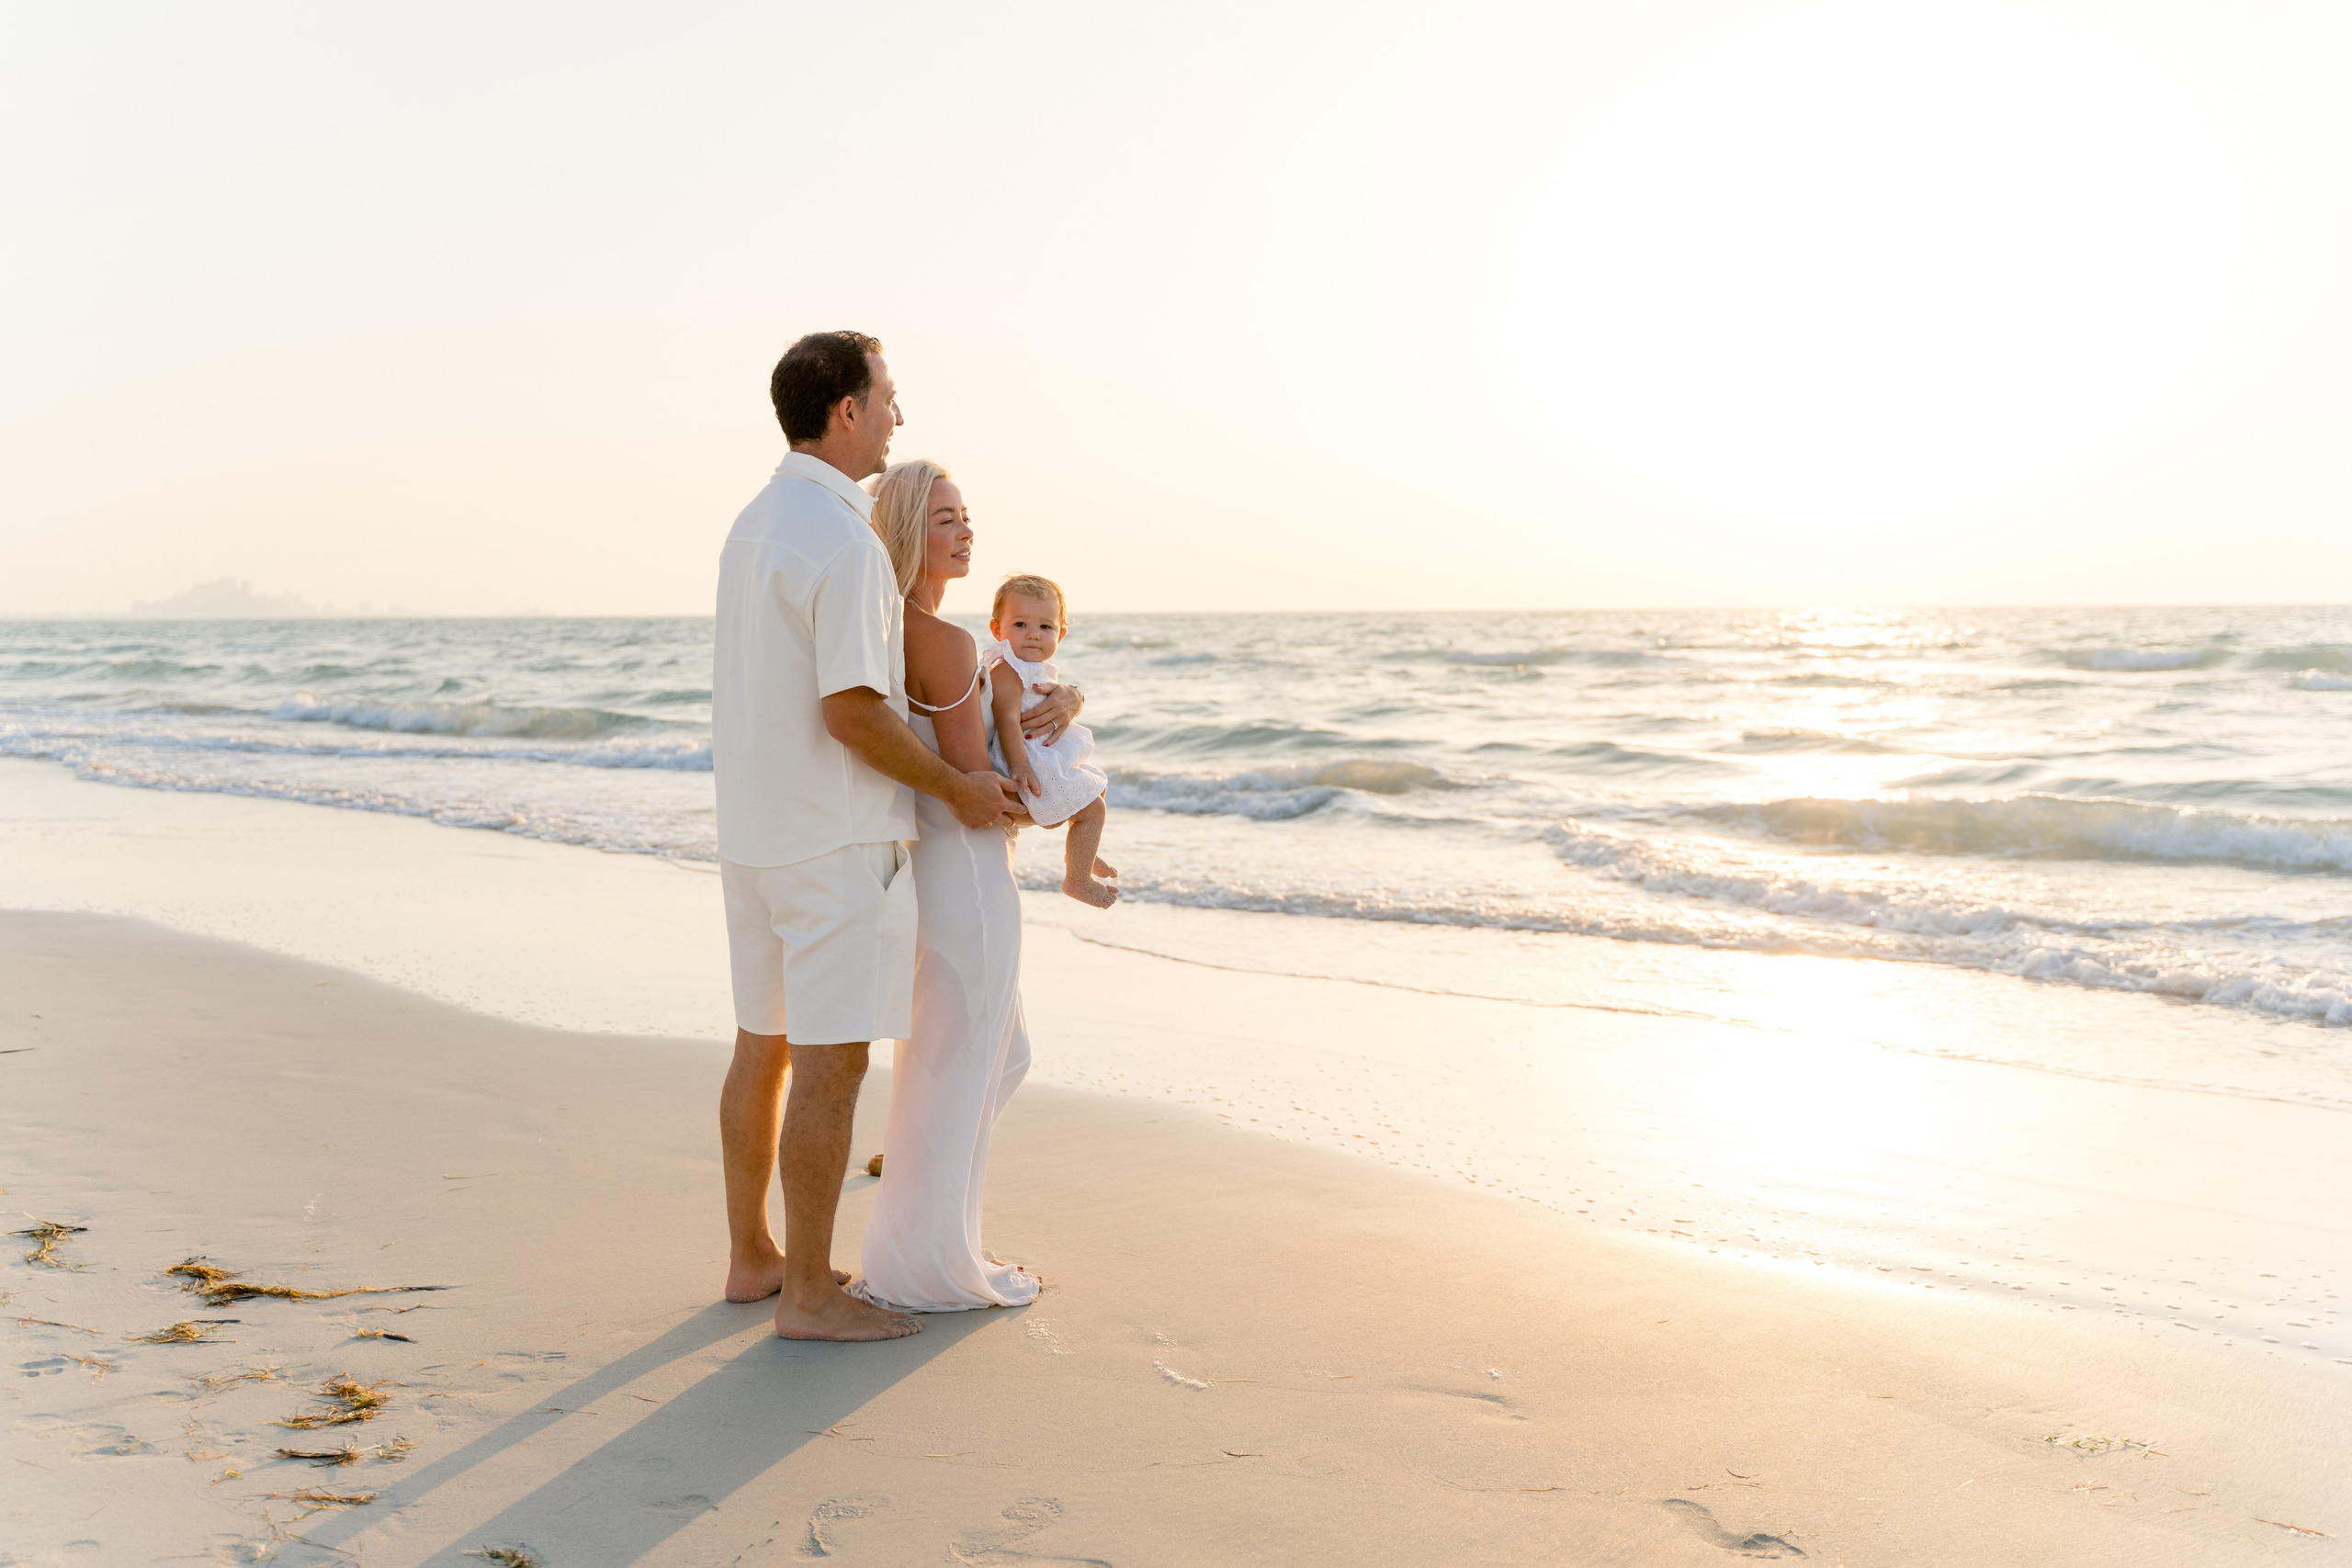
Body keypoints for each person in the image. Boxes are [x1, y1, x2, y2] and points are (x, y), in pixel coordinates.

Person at [711, 333, 1061, 1341]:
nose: (897, 418)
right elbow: (854, 714)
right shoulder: (843, 542)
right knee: (832, 1063)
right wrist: (957, 784)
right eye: (889, 399)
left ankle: (754, 1256)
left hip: (754, 833)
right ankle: (813, 1295)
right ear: (846, 412)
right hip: (831, 843)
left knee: (761, 1046)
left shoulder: (754, 524)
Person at [849, 460, 1078, 1310]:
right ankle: (930, 1263)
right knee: (965, 1062)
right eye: (946, 519)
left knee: (972, 1058)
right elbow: (981, 788)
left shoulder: (896, 630)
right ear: (911, 534)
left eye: (967, 514)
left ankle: (936, 1242)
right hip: (971, 878)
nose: (966, 530)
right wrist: (1063, 793)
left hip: (935, 873)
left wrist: (1059, 703)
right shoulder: (942, 643)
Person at [983, 573, 1116, 908]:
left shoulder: (1034, 668)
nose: (1033, 635)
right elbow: (1007, 720)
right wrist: (1020, 766)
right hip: (1024, 760)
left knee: (1096, 785)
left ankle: (1083, 854)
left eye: (1046, 627)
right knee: (1093, 807)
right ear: (997, 630)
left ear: (1061, 633)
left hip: (1041, 754)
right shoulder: (1007, 671)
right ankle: (1076, 880)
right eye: (1020, 624)